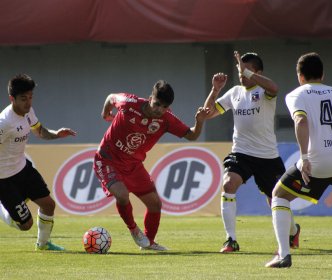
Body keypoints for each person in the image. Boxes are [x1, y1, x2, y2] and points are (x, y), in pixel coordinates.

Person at [265, 52, 332, 268]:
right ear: (323, 74)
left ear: (300, 76)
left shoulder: (296, 95)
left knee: (279, 195)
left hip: (317, 164)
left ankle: (284, 254)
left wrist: (303, 157)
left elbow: (301, 121)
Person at [93, 80, 209, 251]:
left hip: (133, 165)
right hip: (107, 159)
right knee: (123, 195)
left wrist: (199, 121)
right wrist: (105, 113)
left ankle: (149, 242)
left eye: (164, 107)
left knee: (155, 204)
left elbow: (192, 136)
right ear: (149, 99)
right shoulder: (128, 103)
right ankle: (134, 230)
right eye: (157, 104)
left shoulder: (167, 119)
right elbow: (111, 97)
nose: (159, 110)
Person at [204, 51, 300, 253]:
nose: (242, 74)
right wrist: (215, 90)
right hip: (241, 152)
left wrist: (247, 72)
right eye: (240, 71)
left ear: (258, 72)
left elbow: (275, 87)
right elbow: (208, 114)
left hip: (267, 156)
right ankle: (231, 240)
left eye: (246, 70)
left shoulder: (265, 91)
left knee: (276, 199)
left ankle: (293, 231)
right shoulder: (234, 93)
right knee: (229, 184)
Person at [0, 74, 77, 251]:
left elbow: (39, 131)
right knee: (25, 225)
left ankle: (43, 245)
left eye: (30, 97)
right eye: (23, 99)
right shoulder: (4, 123)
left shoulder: (29, 113)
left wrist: (57, 133)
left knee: (48, 205)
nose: (28, 102)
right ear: (12, 99)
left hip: (23, 169)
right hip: (4, 179)